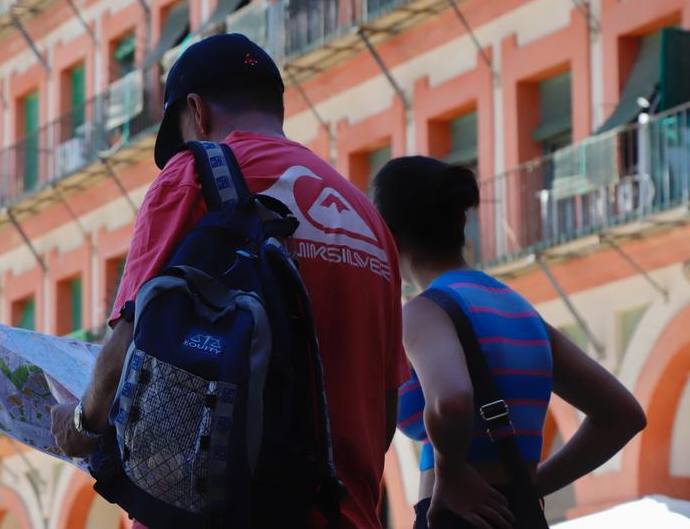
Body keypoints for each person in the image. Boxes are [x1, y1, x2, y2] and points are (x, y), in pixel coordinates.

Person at [51, 33, 407, 528]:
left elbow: (131, 340)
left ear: (196, 112)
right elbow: (385, 411)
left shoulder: (191, 174)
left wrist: (77, 424)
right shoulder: (367, 219)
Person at [375, 156, 647, 528]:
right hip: (518, 514)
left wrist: (451, 473)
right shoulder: (521, 311)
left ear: (387, 233)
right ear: (459, 222)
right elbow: (622, 415)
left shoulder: (425, 312)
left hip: (459, 517)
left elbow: (452, 400)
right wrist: (531, 486)